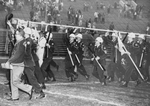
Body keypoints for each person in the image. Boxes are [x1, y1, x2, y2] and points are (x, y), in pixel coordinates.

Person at [5, 22, 33, 101]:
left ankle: (29, 88)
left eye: (16, 34)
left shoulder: (21, 43)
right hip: (15, 63)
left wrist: (9, 61)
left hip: (18, 64)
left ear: (21, 35)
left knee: (15, 81)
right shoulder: (20, 41)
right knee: (12, 81)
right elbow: (14, 32)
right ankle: (15, 96)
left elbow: (17, 55)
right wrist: (10, 25)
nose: (14, 35)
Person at [23, 27, 45, 99]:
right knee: (28, 76)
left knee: (32, 76)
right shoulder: (27, 40)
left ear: (26, 33)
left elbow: (28, 52)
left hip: (30, 61)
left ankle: (39, 90)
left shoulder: (29, 41)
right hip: (29, 60)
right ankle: (33, 88)